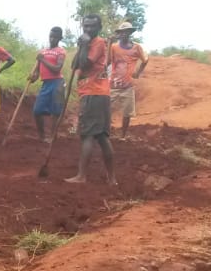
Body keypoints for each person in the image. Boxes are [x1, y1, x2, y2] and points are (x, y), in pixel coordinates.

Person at [66, 14, 117, 185]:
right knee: (102, 137)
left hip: (93, 93)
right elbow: (74, 65)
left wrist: (85, 44)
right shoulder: (87, 43)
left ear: (99, 28)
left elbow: (85, 64)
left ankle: (81, 176)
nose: (88, 29)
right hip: (97, 94)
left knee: (88, 135)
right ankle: (112, 179)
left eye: (92, 26)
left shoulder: (99, 43)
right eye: (85, 26)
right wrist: (82, 46)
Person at [110, 21, 149, 140]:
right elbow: (107, 62)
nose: (123, 34)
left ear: (130, 33)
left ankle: (123, 135)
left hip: (128, 86)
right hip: (113, 85)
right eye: (121, 32)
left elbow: (145, 60)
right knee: (106, 109)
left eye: (126, 32)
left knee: (127, 113)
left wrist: (138, 73)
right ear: (119, 33)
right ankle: (106, 132)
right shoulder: (114, 47)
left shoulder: (136, 47)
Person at [29, 27, 67, 142]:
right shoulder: (42, 51)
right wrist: (33, 77)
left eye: (55, 37)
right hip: (46, 83)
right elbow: (37, 71)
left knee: (56, 112)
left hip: (57, 83)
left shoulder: (61, 51)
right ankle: (42, 136)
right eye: (51, 36)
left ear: (60, 38)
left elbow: (57, 69)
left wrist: (43, 60)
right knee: (37, 111)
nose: (52, 39)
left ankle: (52, 136)